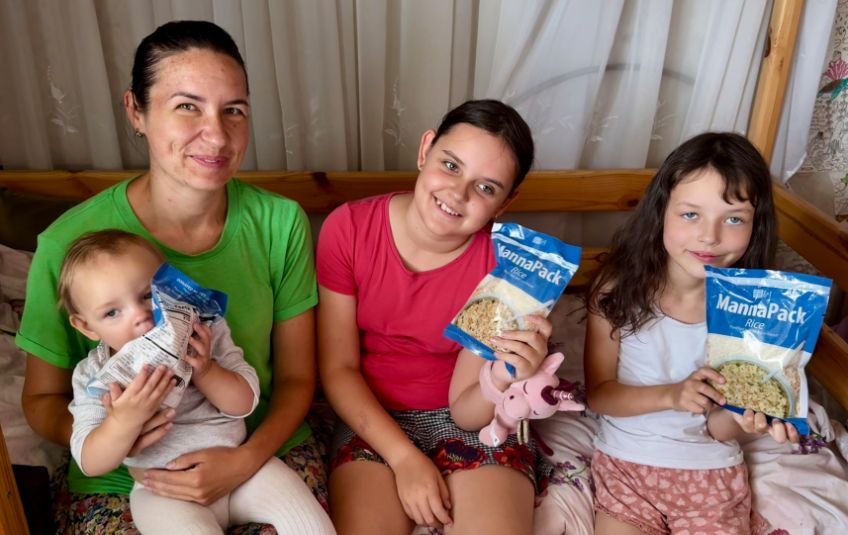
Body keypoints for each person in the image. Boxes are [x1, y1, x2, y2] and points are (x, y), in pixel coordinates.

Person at [17, 20, 327, 532]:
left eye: (234, 110)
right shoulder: (66, 243)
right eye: (187, 106)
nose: (217, 135)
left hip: (258, 450)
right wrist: (119, 434)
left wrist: (244, 460)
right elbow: (40, 400)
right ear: (135, 111)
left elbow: (297, 380)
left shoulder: (279, 223)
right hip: (127, 482)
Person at [317, 99, 553, 534]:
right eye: (450, 165)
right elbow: (338, 368)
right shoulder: (348, 229)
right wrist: (404, 458)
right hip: (373, 417)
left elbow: (467, 412)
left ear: (506, 202)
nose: (458, 194)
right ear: (425, 149)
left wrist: (507, 373)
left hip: (470, 420)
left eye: (486, 188)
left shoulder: (510, 271)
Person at [584, 132, 800, 535]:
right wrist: (673, 395)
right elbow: (599, 395)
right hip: (626, 470)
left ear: (756, 225)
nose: (709, 236)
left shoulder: (756, 314)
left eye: (733, 219)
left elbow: (717, 429)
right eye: (690, 214)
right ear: (661, 211)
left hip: (711, 476)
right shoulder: (617, 291)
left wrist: (746, 418)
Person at [61, 230, 334, 534]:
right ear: (86, 326)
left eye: (148, 295)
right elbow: (90, 460)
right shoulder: (95, 375)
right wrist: (124, 421)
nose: (140, 316)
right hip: (164, 491)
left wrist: (207, 372)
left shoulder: (202, 331)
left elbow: (245, 402)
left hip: (242, 470)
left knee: (310, 522)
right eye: (112, 312)